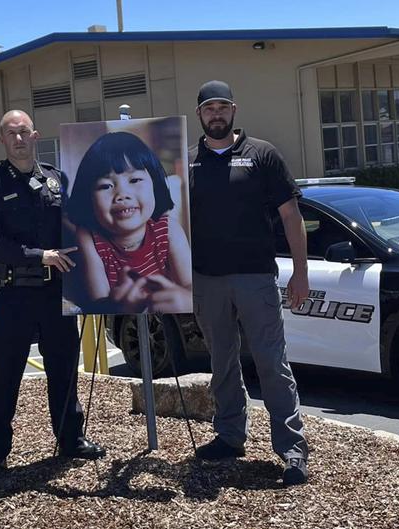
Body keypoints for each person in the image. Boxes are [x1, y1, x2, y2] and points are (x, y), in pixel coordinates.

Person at [0, 109, 105, 484]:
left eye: (24, 132)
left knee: (63, 369)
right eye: (10, 133)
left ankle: (70, 439)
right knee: (5, 377)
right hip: (14, 293)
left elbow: (79, 227)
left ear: (35, 135)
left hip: (56, 291)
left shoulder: (57, 180)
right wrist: (38, 255)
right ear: (2, 139)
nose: (18, 138)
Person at [189, 80, 310, 486]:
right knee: (221, 363)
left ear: (234, 110)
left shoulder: (262, 154)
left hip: (256, 278)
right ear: (200, 115)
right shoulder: (187, 162)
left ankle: (292, 450)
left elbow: (291, 216)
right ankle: (229, 436)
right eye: (209, 109)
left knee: (272, 362)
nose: (216, 114)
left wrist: (301, 272)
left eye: (222, 107)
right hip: (207, 281)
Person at [65, 131, 192, 314]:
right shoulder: (88, 237)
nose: (122, 194)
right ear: (88, 198)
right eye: (105, 186)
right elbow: (99, 301)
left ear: (155, 185)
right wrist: (121, 307)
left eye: (135, 180)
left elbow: (188, 285)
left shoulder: (168, 228)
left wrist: (184, 300)